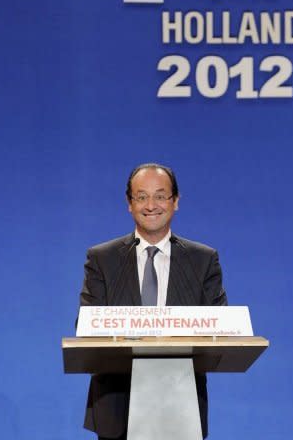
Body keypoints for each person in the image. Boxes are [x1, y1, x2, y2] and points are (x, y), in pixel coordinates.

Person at [79, 163, 227, 440]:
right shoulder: (102, 259)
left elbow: (217, 330)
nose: (151, 205)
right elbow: (89, 327)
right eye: (141, 196)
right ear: (129, 203)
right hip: (117, 404)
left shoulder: (203, 260)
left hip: (180, 401)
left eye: (160, 196)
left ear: (175, 201)